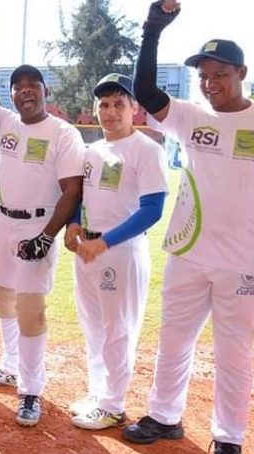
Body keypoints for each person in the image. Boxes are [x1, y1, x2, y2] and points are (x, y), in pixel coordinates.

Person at [121, 0, 254, 454]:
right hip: (187, 251)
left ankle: (229, 438)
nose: (209, 82)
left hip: (244, 261)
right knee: (174, 339)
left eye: (219, 73)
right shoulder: (189, 118)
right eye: (203, 74)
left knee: (234, 350)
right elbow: (143, 90)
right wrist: (153, 30)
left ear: (241, 72)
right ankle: (164, 415)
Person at [0, 17, 85, 427]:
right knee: (3, 295)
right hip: (2, 222)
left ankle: (31, 390)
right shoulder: (4, 125)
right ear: (13, 95)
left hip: (37, 226)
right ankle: (10, 365)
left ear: (45, 92)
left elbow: (71, 190)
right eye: (18, 85)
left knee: (31, 309)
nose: (25, 89)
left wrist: (46, 237)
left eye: (33, 84)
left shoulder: (63, 133)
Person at [63, 73, 168, 430]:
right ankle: (98, 392)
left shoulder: (147, 150)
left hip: (119, 251)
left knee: (118, 329)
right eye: (104, 105)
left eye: (118, 104)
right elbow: (83, 197)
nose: (110, 112)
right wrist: (74, 224)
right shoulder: (93, 150)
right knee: (93, 326)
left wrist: (105, 242)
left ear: (134, 108)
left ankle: (113, 404)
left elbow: (152, 209)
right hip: (88, 249)